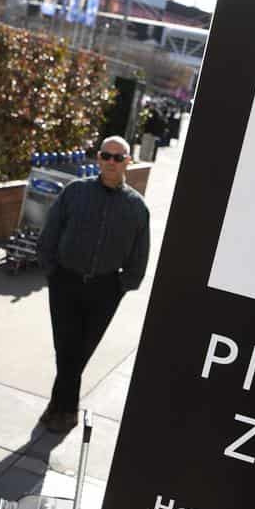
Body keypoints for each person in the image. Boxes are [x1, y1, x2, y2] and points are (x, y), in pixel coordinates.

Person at [37, 136, 151, 434]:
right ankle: (65, 411)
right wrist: (52, 271)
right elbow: (50, 233)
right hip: (66, 281)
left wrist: (122, 286)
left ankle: (58, 407)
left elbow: (140, 255)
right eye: (106, 155)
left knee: (81, 351)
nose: (111, 161)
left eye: (118, 157)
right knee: (66, 348)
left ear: (128, 161)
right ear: (98, 158)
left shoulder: (138, 208)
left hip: (105, 289)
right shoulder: (74, 192)